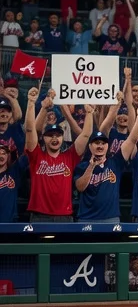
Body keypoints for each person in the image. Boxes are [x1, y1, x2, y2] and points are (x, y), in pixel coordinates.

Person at [25, 89, 93, 222]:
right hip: (40, 215)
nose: (54, 138)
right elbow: (29, 129)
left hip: (64, 215)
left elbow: (85, 134)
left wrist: (89, 113)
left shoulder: (70, 156)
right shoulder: (36, 155)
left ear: (62, 138)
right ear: (43, 138)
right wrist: (31, 103)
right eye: (50, 135)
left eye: (58, 135)